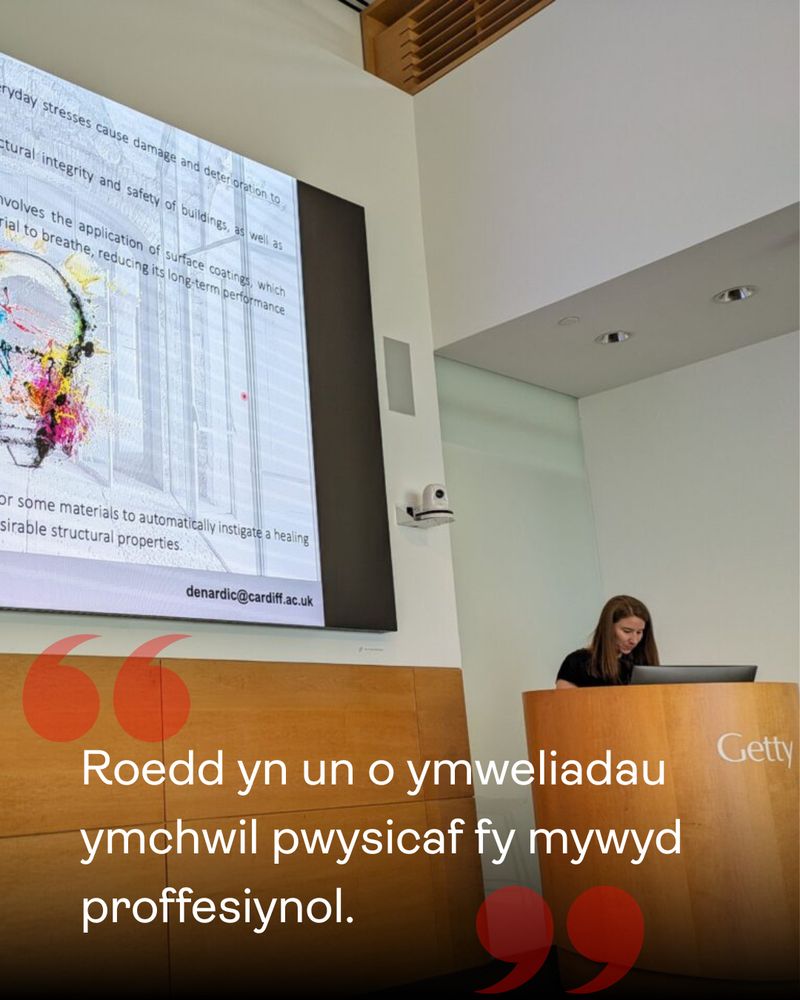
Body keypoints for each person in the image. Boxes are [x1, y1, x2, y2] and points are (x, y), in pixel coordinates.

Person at [555, 595, 659, 688]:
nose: (634, 640)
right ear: (608, 628)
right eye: (627, 631)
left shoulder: (642, 664)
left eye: (639, 632)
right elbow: (565, 702)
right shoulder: (576, 662)